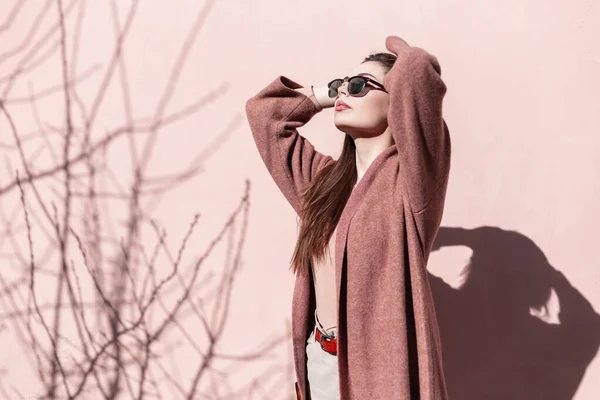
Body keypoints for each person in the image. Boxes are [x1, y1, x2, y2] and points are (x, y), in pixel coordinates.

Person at [245, 35, 451, 399]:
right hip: (320, 363)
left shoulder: (412, 183)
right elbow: (265, 114)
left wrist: (399, 52)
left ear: (395, 102)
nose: (343, 94)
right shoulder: (321, 182)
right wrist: (328, 92)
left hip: (380, 376)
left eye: (358, 86)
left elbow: (418, 72)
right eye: (341, 86)